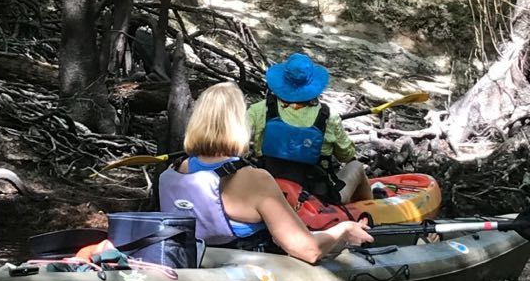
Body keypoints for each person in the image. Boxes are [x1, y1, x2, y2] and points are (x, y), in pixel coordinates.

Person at [159, 81, 373, 264]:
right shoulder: (255, 179)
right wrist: (343, 229)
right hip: (251, 270)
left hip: (196, 261)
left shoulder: (176, 170)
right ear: (240, 124)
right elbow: (308, 251)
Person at [247, 53, 373, 205]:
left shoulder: (258, 110)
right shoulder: (328, 117)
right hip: (316, 197)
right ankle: (370, 210)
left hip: (268, 187)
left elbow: (238, 145)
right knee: (356, 166)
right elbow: (346, 155)